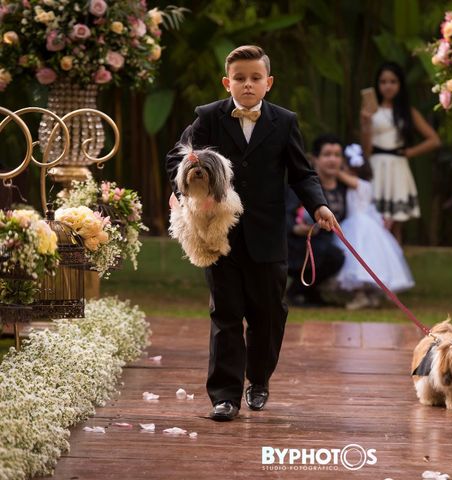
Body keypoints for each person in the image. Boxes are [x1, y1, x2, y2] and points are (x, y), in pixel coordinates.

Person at [165, 45, 339, 422]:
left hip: (267, 235)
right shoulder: (208, 118)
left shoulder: (285, 122)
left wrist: (319, 205)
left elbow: (302, 172)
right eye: (240, 78)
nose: (247, 85)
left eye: (255, 78)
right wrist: (191, 186)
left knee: (270, 314)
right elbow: (177, 159)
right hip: (217, 235)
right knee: (225, 314)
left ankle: (258, 380)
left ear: (268, 83)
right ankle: (224, 396)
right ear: (227, 82)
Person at [360, 62, 442, 243]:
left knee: (396, 223)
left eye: (393, 81)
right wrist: (366, 123)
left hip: (398, 166)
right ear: (377, 85)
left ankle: (396, 265)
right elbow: (366, 150)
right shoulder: (370, 111)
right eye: (383, 82)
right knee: (375, 219)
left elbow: (434, 139)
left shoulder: (407, 112)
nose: (388, 86)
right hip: (377, 165)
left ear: (400, 85)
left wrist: (410, 152)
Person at [335, 143, 415, 310]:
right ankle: (367, 296)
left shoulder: (359, 183)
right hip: (362, 223)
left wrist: (329, 167)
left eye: (344, 165)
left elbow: (337, 174)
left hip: (359, 225)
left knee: (359, 258)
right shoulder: (365, 184)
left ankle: (362, 295)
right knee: (364, 259)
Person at [286, 134, 347, 307]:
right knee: (330, 254)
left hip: (326, 245)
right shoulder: (303, 187)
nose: (332, 160)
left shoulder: (344, 188)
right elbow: (285, 215)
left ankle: (310, 293)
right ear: (314, 159)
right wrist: (296, 229)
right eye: (327, 155)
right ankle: (295, 292)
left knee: (334, 254)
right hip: (298, 244)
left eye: (337, 155)